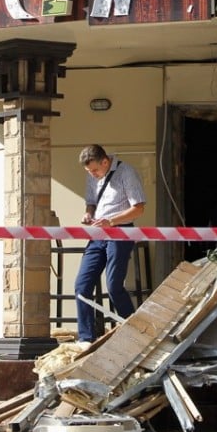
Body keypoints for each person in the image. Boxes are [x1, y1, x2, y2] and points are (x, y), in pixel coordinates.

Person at [75, 144, 146, 342]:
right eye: (89, 172)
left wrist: (112, 221)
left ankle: (131, 334)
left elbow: (139, 208)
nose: (93, 175)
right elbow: (92, 201)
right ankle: (86, 339)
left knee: (114, 285)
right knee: (82, 285)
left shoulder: (127, 172)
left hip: (120, 232)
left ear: (105, 161)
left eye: (95, 170)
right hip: (98, 233)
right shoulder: (92, 174)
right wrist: (89, 212)